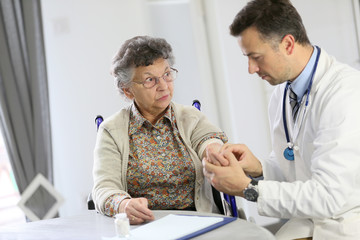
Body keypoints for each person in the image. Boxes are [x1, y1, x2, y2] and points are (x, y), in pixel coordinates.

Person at [203, 0, 360, 239]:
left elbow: (330, 196)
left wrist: (247, 189)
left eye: (256, 57)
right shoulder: (282, 92)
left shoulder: (345, 94)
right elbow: (295, 167)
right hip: (307, 222)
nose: (250, 68)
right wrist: (258, 168)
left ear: (287, 44)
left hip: (345, 225)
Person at [92, 36, 227, 225]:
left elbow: (208, 139)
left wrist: (213, 150)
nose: (163, 86)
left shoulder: (190, 117)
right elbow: (104, 188)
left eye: (167, 74)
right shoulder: (112, 130)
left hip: (197, 221)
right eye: (150, 80)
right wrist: (124, 205)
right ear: (128, 90)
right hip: (144, 226)